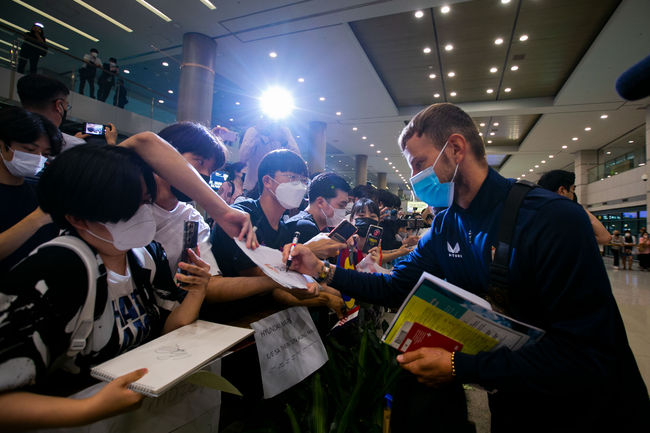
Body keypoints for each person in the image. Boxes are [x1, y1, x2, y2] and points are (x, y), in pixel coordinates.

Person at [284, 103, 648, 432]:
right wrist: (321, 269)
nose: (414, 178)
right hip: (515, 400)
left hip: (590, 409)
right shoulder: (447, 225)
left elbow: (587, 352)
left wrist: (460, 367)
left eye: (419, 163)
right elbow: (396, 287)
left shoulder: (549, 219)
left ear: (456, 149)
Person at [0, 143, 211, 431]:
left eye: (145, 202)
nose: (142, 215)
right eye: (126, 208)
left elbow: (168, 334)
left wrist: (197, 291)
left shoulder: (146, 255)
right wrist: (88, 409)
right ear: (76, 217)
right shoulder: (56, 269)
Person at [0, 107, 62, 272]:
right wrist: (37, 219)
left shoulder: (38, 194)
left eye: (45, 153)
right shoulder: (41, 211)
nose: (37, 158)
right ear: (3, 144)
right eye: (29, 150)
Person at [17, 74, 118, 149]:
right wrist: (111, 143)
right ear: (58, 106)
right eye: (67, 106)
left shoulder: (11, 132)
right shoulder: (71, 145)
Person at [537, 169, 612, 245]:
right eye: (573, 189)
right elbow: (605, 238)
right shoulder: (568, 217)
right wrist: (577, 207)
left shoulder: (535, 215)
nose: (573, 195)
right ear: (562, 190)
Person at [239, 119, 301, 198]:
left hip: (276, 192)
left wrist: (285, 140)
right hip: (252, 188)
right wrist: (256, 131)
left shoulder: (283, 132)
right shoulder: (254, 131)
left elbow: (298, 160)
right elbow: (242, 158)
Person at [285, 172, 351, 244]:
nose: (343, 212)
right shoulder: (304, 227)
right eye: (341, 205)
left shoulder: (324, 228)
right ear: (320, 202)